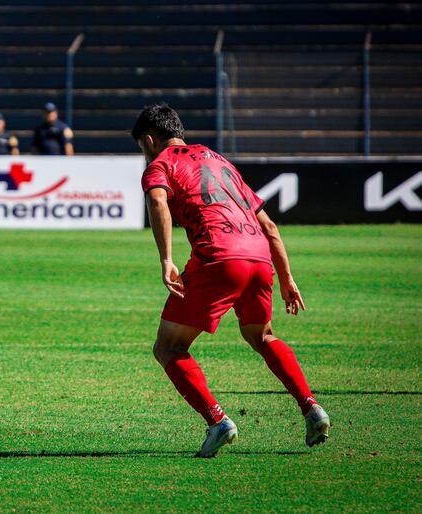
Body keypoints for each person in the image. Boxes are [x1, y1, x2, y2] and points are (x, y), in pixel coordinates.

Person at [133, 103, 330, 458]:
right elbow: (268, 225)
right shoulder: (219, 160)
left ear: (149, 140)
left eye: (141, 148)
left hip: (219, 257)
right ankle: (312, 408)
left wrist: (166, 258)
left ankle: (218, 421)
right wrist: (286, 277)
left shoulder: (160, 164)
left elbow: (159, 201)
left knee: (168, 348)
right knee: (263, 335)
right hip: (258, 257)